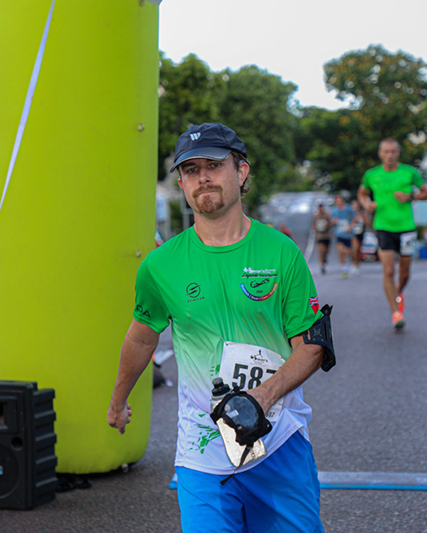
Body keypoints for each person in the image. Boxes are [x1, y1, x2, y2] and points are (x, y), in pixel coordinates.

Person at [107, 122, 326, 533]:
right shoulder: (160, 265)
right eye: (190, 170)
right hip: (201, 452)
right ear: (182, 184)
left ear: (240, 173)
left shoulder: (281, 253)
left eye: (213, 165)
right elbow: (142, 335)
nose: (202, 177)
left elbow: (312, 346)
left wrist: (261, 397)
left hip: (278, 444)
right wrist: (118, 401)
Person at [357, 138, 427, 330]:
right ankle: (396, 312)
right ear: (380, 153)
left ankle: (398, 293)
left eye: (393, 152)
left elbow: (426, 193)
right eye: (386, 151)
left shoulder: (409, 172)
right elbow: (362, 194)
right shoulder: (372, 175)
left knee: (404, 273)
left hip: (406, 228)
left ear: (398, 153)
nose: (390, 155)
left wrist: (410, 196)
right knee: (389, 271)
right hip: (383, 227)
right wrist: (367, 205)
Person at [330, 194, 355, 277]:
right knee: (340, 250)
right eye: (336, 200)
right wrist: (333, 221)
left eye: (339, 200)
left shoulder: (348, 209)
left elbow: (355, 218)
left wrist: (351, 226)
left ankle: (348, 259)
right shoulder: (334, 211)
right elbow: (332, 220)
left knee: (347, 252)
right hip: (339, 233)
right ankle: (344, 267)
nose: (338, 202)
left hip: (347, 234)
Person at [312, 203, 333, 275]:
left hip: (326, 235)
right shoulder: (316, 216)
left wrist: (327, 225)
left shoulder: (326, 215)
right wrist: (315, 228)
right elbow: (313, 225)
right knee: (321, 250)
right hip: (320, 236)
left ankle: (324, 259)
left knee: (326, 251)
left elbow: (330, 223)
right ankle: (322, 266)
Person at [350, 200, 366, 271]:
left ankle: (357, 264)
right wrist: (354, 221)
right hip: (353, 233)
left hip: (361, 232)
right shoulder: (351, 214)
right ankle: (354, 263)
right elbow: (349, 224)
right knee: (355, 249)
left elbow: (367, 223)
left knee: (359, 249)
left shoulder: (362, 213)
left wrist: (363, 218)